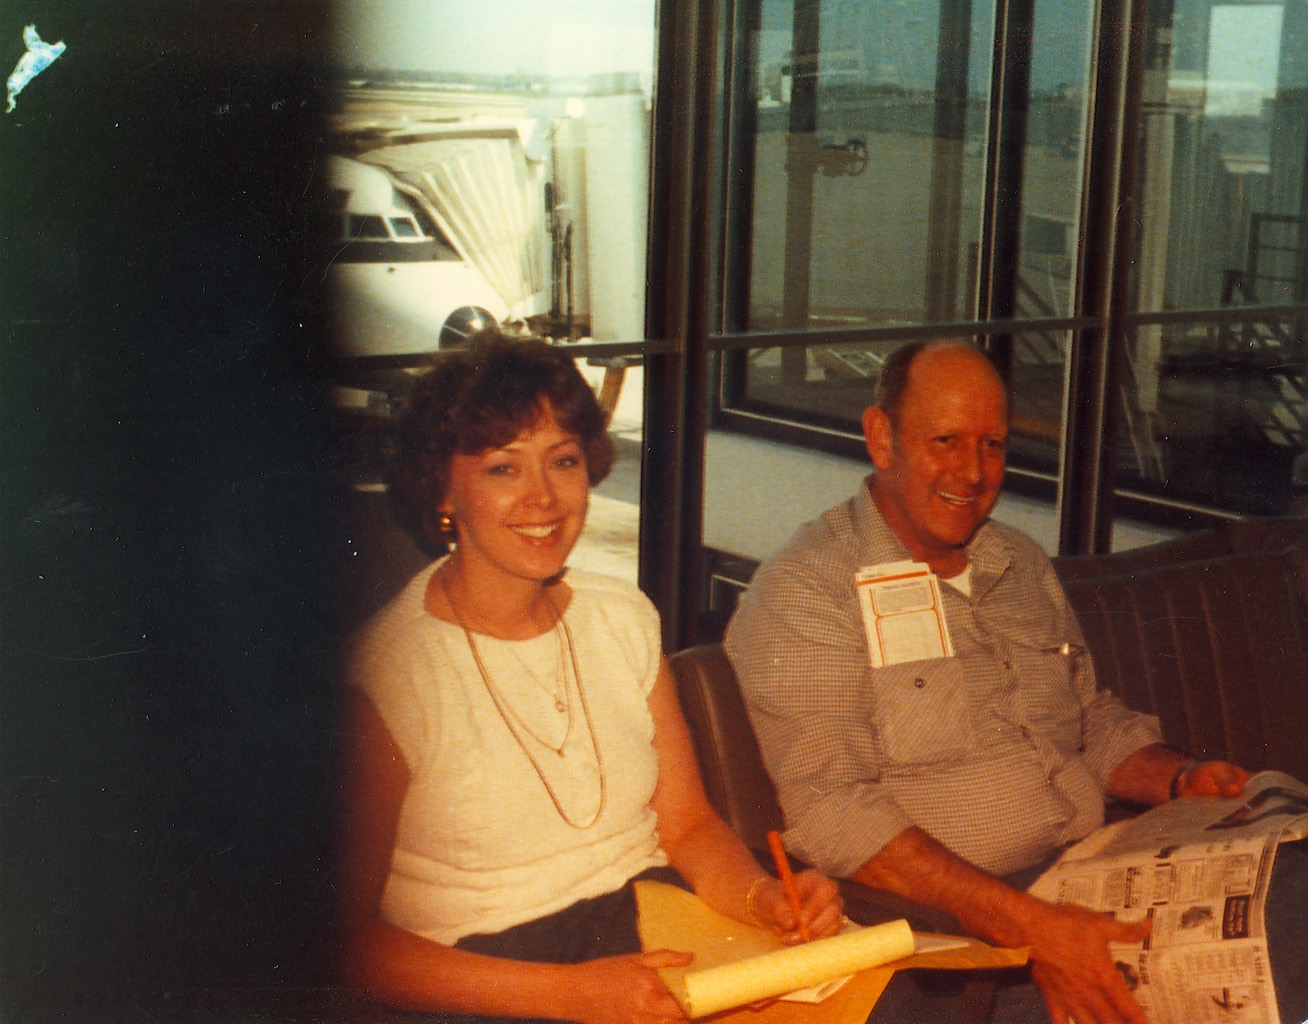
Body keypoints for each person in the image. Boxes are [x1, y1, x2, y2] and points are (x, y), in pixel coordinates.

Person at [725, 340, 1253, 1024]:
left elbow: (1088, 719)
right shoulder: (808, 589)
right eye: (945, 441)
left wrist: (1180, 780)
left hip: (1089, 871)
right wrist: (1031, 926)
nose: (972, 473)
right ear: (882, 439)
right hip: (955, 935)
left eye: (992, 445)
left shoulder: (1018, 561)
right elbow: (832, 811)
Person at [337, 331, 843, 1024]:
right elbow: (340, 944)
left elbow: (689, 827)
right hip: (491, 980)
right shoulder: (387, 675)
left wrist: (765, 900)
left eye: (563, 461)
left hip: (652, 925)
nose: (543, 497)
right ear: (442, 489)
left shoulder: (623, 617)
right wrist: (572, 995)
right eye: (503, 469)